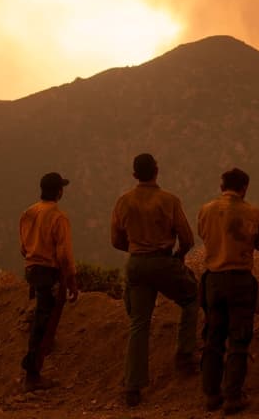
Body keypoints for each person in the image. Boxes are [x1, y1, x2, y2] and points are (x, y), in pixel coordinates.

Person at [111, 153, 198, 408]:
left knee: (139, 324)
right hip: (162, 261)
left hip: (136, 263)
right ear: (156, 171)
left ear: (135, 174)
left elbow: (116, 240)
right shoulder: (169, 200)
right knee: (192, 298)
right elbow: (188, 239)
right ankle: (184, 355)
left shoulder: (123, 201)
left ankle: (133, 387)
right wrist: (178, 257)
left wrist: (136, 249)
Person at [197, 167, 259, 414]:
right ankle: (233, 397)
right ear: (244, 188)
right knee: (239, 340)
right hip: (240, 279)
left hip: (213, 280)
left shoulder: (206, 210)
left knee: (213, 338)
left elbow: (203, 235)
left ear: (222, 186)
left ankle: (211, 395)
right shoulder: (252, 212)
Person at [18, 171, 79, 389]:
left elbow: (23, 248)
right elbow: (64, 254)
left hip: (32, 269)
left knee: (42, 315)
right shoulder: (58, 217)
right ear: (59, 191)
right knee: (44, 322)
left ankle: (38, 358)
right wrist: (71, 281)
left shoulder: (28, 213)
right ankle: (33, 373)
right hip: (48, 272)